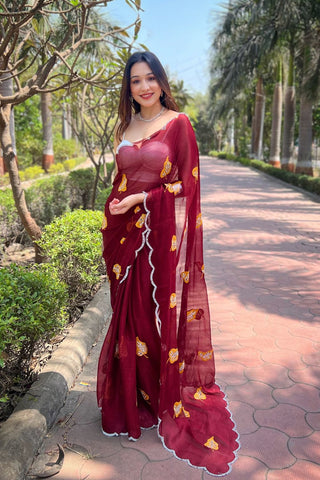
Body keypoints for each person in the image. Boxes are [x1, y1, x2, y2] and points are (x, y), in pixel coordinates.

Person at [97, 51, 239, 476]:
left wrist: (144, 199)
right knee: (128, 318)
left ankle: (162, 394)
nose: (143, 87)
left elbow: (186, 186)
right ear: (129, 88)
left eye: (150, 78)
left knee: (151, 317)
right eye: (135, 81)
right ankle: (130, 400)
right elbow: (120, 179)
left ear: (161, 81)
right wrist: (119, 204)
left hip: (158, 236)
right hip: (123, 235)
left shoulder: (178, 124)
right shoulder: (125, 127)